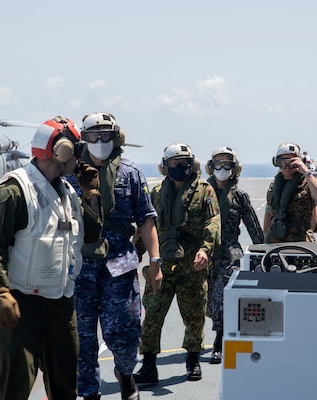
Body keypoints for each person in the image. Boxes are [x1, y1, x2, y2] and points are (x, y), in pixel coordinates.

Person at [0, 117, 101, 400]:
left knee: (65, 388)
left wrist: (91, 195)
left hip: (61, 304)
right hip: (20, 305)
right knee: (12, 386)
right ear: (62, 151)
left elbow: (92, 236)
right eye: (76, 148)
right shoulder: (15, 189)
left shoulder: (69, 192)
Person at [74, 112, 162, 400]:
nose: (100, 141)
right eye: (93, 135)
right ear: (83, 139)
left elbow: (147, 220)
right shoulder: (68, 173)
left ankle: (125, 374)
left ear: (116, 137)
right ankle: (89, 393)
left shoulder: (131, 173)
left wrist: (155, 262)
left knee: (124, 335)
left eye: (106, 135)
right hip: (79, 269)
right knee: (82, 339)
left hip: (119, 267)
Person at [134, 143, 220, 385]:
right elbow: (146, 227)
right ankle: (149, 365)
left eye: (183, 163)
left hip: (192, 267)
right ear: (165, 165)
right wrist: (134, 254)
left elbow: (214, 221)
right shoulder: (158, 193)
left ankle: (193, 360)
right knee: (151, 317)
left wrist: (205, 250)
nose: (179, 167)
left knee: (194, 318)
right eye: (174, 163)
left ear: (192, 164)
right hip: (160, 268)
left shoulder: (205, 191)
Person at [204, 147, 264, 364]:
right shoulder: (202, 191)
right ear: (211, 166)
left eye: (226, 164)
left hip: (229, 252)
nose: (222, 168)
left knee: (223, 297)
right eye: (217, 164)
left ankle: (219, 341)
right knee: (206, 301)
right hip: (204, 250)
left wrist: (263, 253)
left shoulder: (239, 196)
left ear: (234, 168)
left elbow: (254, 228)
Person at [263, 143, 317, 243]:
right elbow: (268, 212)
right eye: (283, 163)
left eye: (291, 163)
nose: (287, 167)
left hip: (301, 241)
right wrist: (265, 238)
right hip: (275, 240)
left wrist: (306, 172)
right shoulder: (274, 185)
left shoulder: (308, 182)